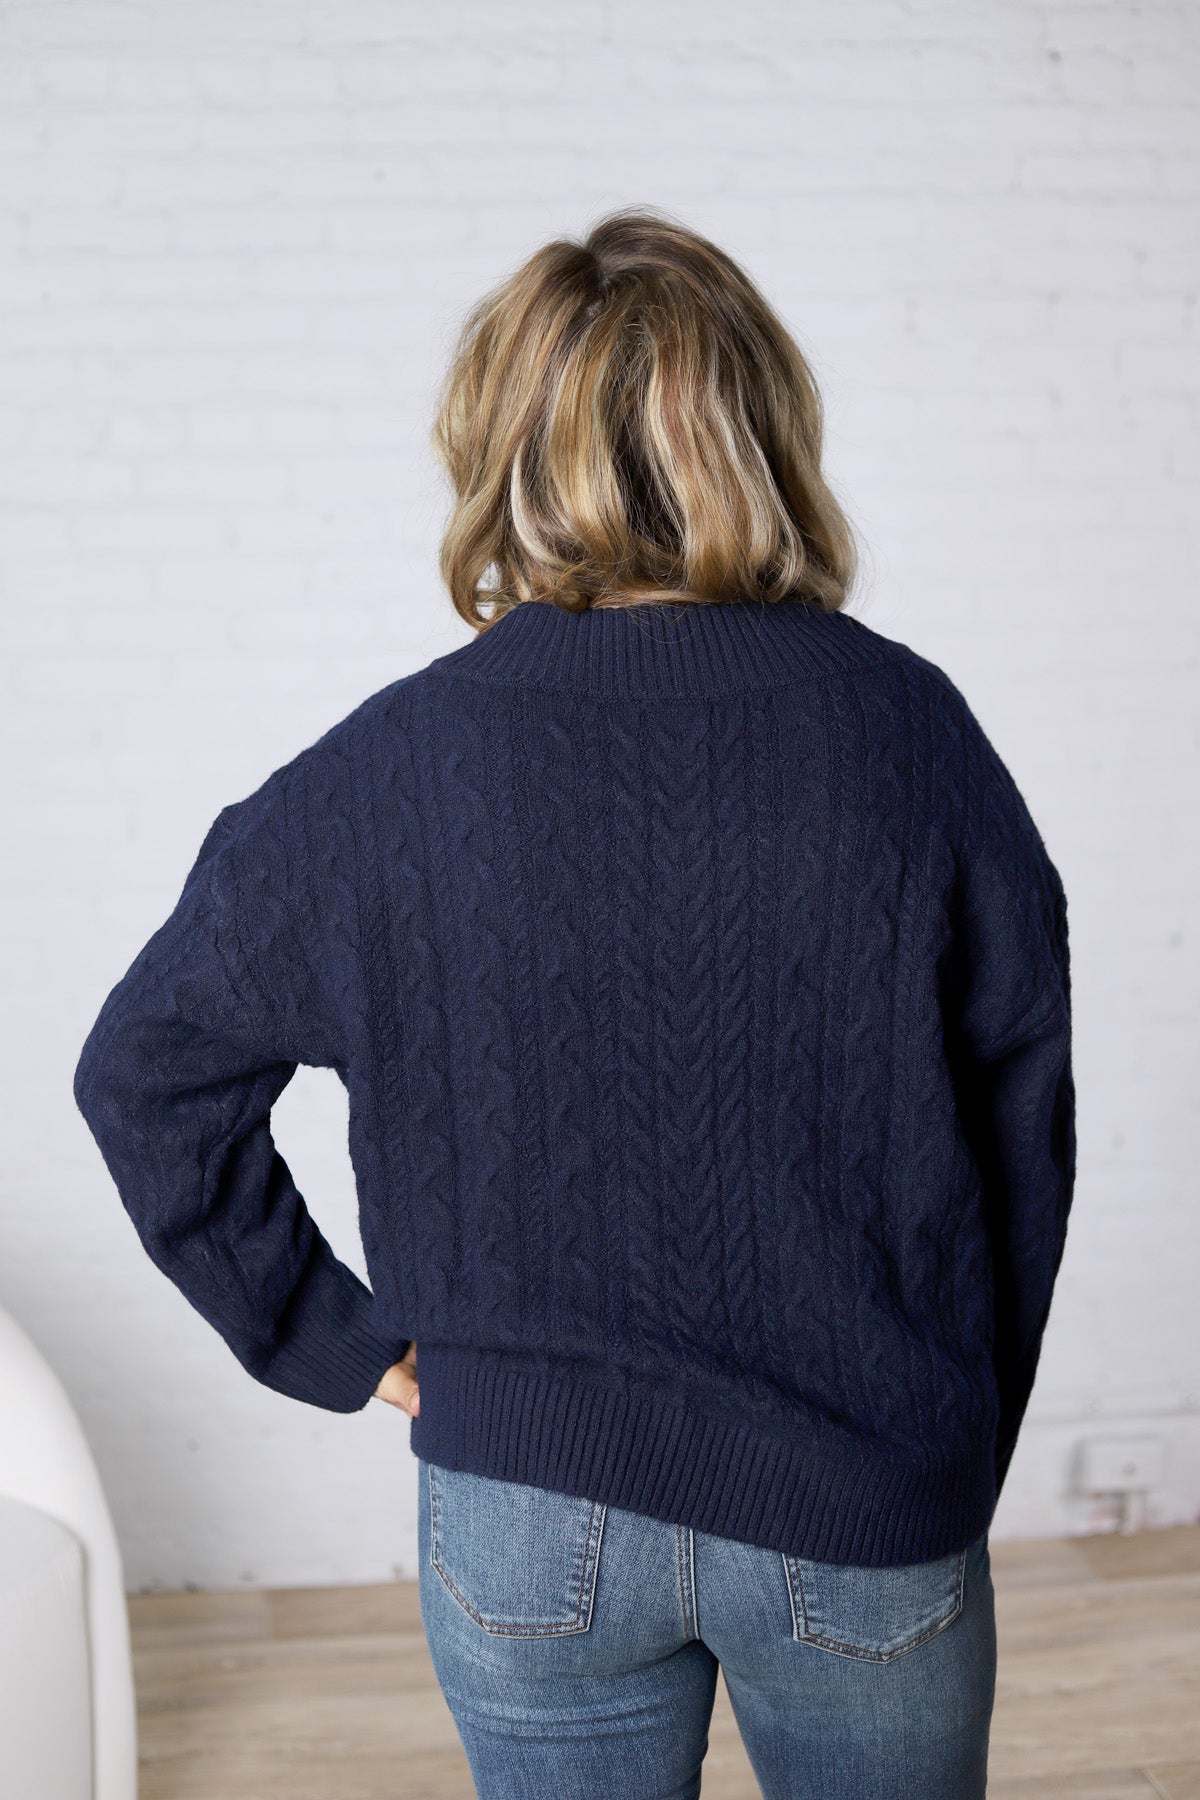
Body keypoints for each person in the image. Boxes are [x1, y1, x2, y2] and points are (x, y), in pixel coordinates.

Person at [73, 206, 1076, 1799]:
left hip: (525, 1516)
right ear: (762, 428)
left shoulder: (390, 769)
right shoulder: (908, 734)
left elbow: (147, 1071)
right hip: (863, 1497)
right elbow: (1023, 1125)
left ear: (504, 443)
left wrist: (331, 1336)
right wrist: (948, 1445)